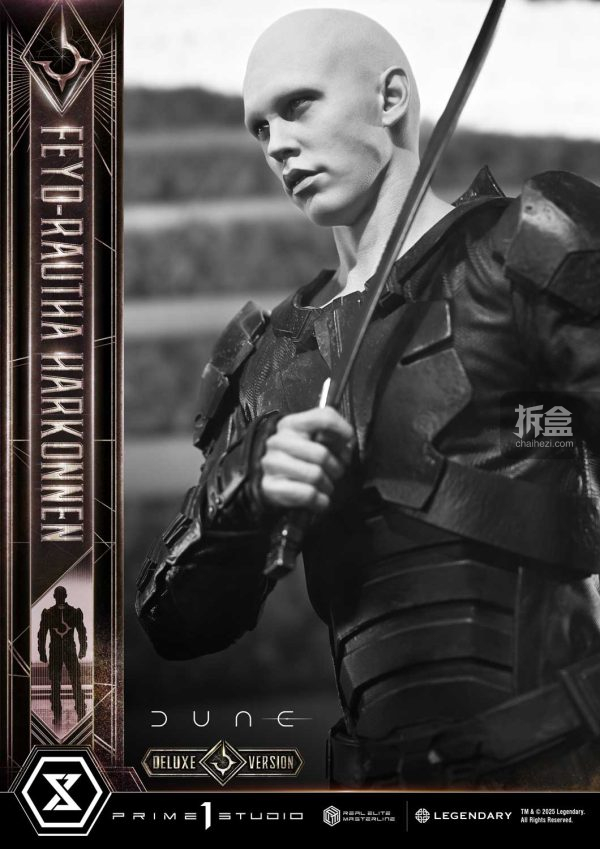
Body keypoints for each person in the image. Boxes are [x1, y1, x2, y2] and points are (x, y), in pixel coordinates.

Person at [135, 9, 600, 789]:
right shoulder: (269, 357)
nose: (278, 143)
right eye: (260, 128)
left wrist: (531, 438)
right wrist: (244, 490)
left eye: (299, 105)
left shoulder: (523, 248)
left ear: (390, 99)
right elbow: (174, 623)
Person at [38, 586, 87, 723]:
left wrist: (42, 652)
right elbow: (42, 634)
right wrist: (42, 652)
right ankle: (63, 713)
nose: (59, 597)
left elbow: (82, 632)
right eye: (58, 595)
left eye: (60, 595)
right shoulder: (71, 613)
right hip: (63, 651)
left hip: (60, 651)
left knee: (67, 682)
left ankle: (72, 711)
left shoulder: (50, 613)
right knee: (62, 682)